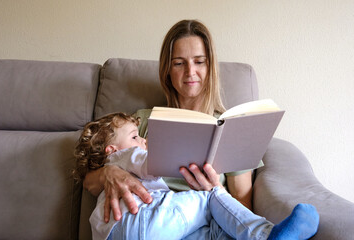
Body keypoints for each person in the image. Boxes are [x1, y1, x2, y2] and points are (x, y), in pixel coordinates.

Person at [83, 19, 258, 224]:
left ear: (211, 67)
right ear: (167, 70)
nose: (190, 72)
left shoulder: (232, 128)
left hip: (208, 222)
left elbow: (244, 207)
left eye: (199, 61)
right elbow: (89, 182)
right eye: (179, 63)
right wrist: (109, 172)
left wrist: (215, 191)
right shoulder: (143, 121)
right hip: (149, 223)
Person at [73, 112, 319, 240]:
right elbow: (150, 164)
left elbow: (244, 199)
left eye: (199, 61)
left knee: (209, 231)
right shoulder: (126, 153)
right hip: (147, 219)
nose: (144, 139)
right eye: (136, 136)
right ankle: (264, 235)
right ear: (111, 150)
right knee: (209, 196)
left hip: (116, 233)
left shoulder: (229, 123)